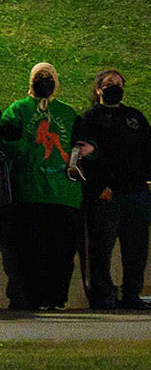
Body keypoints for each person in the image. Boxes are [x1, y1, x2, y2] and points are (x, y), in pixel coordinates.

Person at [1, 63, 83, 311]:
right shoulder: (18, 110)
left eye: (49, 77)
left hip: (64, 193)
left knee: (63, 252)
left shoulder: (68, 113)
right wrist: (29, 141)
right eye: (40, 76)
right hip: (30, 191)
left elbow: (82, 145)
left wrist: (83, 156)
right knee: (30, 251)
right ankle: (33, 298)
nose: (44, 80)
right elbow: (5, 142)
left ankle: (57, 298)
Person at [73, 67, 149, 309]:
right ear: (98, 89)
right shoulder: (90, 118)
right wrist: (99, 187)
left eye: (118, 82)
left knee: (137, 249)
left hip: (136, 193)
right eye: (108, 83)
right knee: (102, 249)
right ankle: (103, 296)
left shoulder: (135, 117)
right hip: (107, 195)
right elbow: (83, 156)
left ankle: (131, 295)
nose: (114, 86)